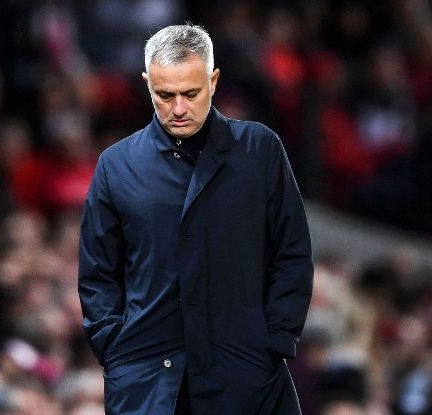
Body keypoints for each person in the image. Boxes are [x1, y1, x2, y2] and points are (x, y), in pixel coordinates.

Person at [78, 24, 313, 414]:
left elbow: (291, 250)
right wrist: (115, 348)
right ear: (146, 84)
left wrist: (275, 339)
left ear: (214, 80)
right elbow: (98, 271)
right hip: (147, 377)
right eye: (164, 95)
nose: (178, 108)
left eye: (191, 93)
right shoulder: (116, 165)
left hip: (245, 372)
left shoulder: (259, 150)